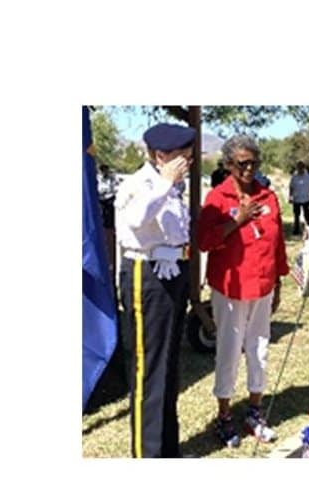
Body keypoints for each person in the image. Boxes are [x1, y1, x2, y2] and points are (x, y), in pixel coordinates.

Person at [196, 134, 289, 447]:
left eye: (254, 163)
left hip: (262, 285)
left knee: (260, 347)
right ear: (227, 165)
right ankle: (223, 415)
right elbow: (204, 241)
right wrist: (237, 220)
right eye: (242, 163)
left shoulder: (268, 197)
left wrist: (277, 283)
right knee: (230, 349)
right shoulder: (217, 199)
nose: (250, 169)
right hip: (231, 288)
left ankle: (254, 410)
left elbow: (277, 244)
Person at [114, 122, 196, 458]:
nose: (188, 163)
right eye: (182, 157)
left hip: (173, 271)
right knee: (148, 370)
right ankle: (147, 456)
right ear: (161, 156)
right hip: (145, 274)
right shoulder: (140, 184)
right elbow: (135, 219)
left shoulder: (172, 186)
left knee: (168, 367)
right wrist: (165, 183)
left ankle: (167, 451)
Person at [288, 160, 309, 235]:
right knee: (296, 215)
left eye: (301, 167)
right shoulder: (294, 177)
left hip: (306, 198)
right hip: (297, 198)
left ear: (304, 168)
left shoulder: (308, 177)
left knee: (307, 215)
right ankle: (296, 229)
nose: (300, 169)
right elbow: (291, 187)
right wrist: (290, 197)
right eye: (299, 168)